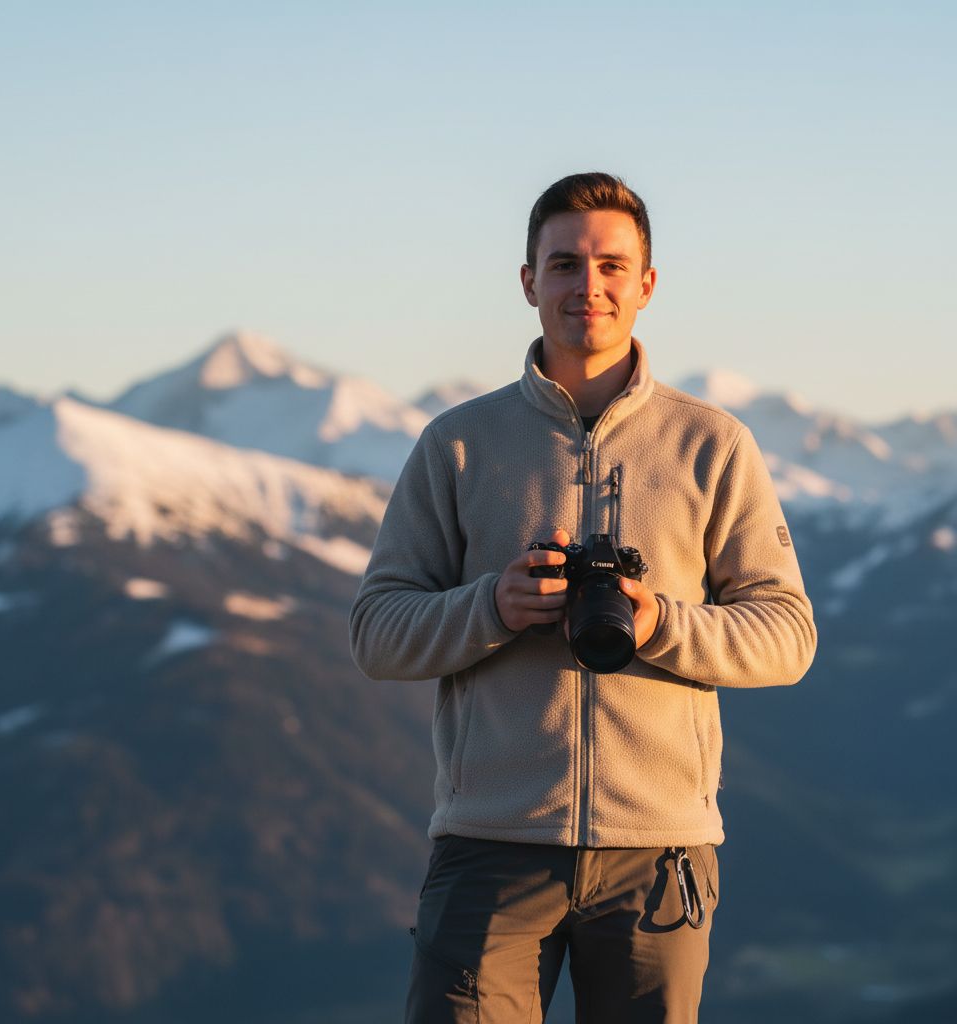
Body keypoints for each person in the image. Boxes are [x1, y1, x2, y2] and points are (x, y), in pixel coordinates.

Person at [349, 172, 817, 1023]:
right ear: (529, 281)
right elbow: (377, 632)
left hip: (659, 853)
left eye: (611, 265)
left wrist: (659, 622)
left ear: (646, 283)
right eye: (564, 264)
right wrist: (493, 607)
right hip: (492, 843)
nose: (587, 286)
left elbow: (787, 635)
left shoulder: (713, 445)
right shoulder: (458, 444)